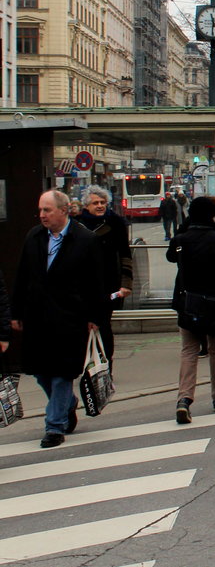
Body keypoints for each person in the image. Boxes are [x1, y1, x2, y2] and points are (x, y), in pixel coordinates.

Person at [11, 190, 106, 448]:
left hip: (70, 318)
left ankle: (54, 427)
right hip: (37, 317)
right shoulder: (34, 237)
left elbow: (96, 282)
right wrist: (16, 312)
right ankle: (67, 403)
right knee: (40, 372)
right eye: (40, 210)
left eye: (47, 210)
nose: (42, 215)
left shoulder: (85, 239)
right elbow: (22, 276)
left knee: (62, 373)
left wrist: (95, 316)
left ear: (63, 211)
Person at [168, 196, 215, 424]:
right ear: (213, 215)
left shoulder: (181, 238)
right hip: (214, 303)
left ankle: (184, 399)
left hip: (187, 302)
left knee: (189, 351)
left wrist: (183, 229)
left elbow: (171, 256)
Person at [78, 185, 133, 366]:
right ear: (87, 206)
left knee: (103, 323)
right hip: (81, 285)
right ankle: (88, 363)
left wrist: (126, 283)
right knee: (84, 324)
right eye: (95, 203)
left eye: (103, 202)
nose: (100, 206)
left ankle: (106, 362)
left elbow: (125, 254)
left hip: (108, 284)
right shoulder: (77, 225)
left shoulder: (115, 223)